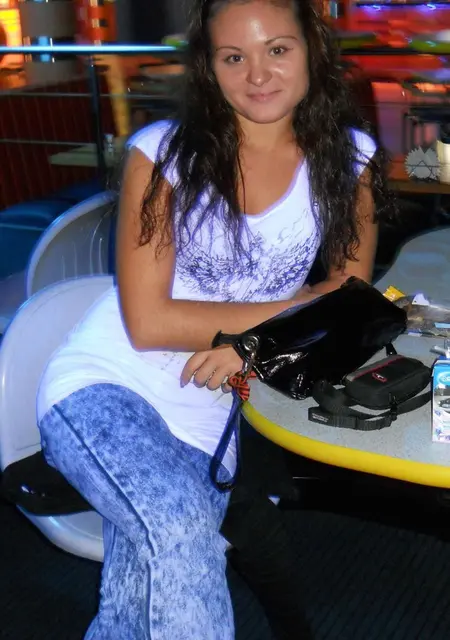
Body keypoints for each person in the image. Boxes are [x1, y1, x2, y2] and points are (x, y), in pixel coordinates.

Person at [37, 0, 392, 638]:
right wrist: (273, 326)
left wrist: (264, 336)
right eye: (234, 57)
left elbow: (351, 295)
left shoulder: (349, 159)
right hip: (105, 384)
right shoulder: (163, 154)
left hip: (208, 416)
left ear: (312, 49)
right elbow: (149, 324)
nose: (257, 74)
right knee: (178, 529)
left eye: (277, 49)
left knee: (141, 592)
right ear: (209, 66)